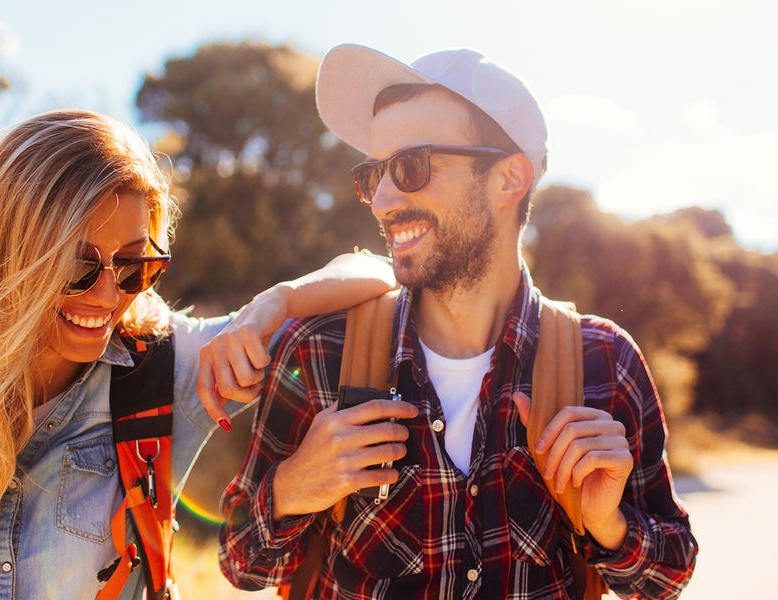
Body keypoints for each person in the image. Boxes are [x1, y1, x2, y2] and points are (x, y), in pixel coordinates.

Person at [218, 44, 699, 599]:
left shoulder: (604, 363)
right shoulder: (319, 352)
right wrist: (290, 490)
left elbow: (669, 575)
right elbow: (242, 567)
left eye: (411, 166)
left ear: (508, 179)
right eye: (373, 173)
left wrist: (609, 525)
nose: (381, 200)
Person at [0, 109, 397, 599]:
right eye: (79, 266)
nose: (110, 297)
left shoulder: (164, 369)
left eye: (136, 265)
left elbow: (378, 272)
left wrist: (276, 300)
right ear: (12, 249)